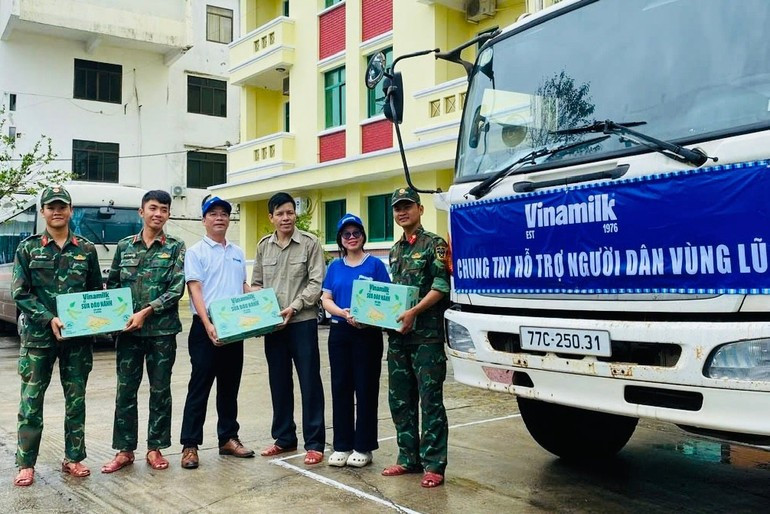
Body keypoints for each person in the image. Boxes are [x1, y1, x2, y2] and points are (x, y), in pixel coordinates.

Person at [11, 186, 103, 487]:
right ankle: (26, 463)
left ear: (71, 210)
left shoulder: (86, 250)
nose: (57, 211)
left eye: (62, 206)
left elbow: (94, 294)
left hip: (76, 341)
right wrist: (48, 318)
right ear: (43, 212)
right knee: (31, 401)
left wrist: (98, 319)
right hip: (39, 339)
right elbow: (20, 293)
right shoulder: (28, 248)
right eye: (51, 207)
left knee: (75, 401)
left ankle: (73, 458)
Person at [101, 190, 186, 474]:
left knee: (160, 391)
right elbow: (112, 284)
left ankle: (155, 447)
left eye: (164, 209)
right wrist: (113, 317)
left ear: (169, 214)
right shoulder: (125, 246)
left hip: (162, 333)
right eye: (153, 208)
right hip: (128, 335)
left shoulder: (175, 246)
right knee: (125, 391)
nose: (158, 213)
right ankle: (124, 450)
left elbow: (176, 288)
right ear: (141, 212)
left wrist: (146, 311)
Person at [381, 187, 450, 488]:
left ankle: (434, 464)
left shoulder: (435, 244)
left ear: (420, 209)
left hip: (426, 338)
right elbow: (394, 296)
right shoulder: (395, 251)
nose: (401, 212)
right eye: (397, 208)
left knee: (430, 400)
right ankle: (408, 457)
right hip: (398, 338)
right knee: (399, 399)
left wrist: (414, 313)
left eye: (407, 206)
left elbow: (441, 286)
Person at [179, 196, 254, 469]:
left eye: (224, 213)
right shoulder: (196, 252)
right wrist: (208, 323)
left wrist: (263, 301)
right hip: (206, 328)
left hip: (234, 327)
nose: (219, 217)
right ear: (204, 219)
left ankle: (228, 438)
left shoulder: (236, 252)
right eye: (213, 213)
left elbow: (242, 286)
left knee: (229, 387)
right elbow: (195, 289)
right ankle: (189, 445)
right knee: (199, 387)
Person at [251, 192, 326, 465]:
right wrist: (261, 310)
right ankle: (284, 438)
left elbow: (316, 283)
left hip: (301, 322)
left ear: (296, 215)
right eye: (280, 213)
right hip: (274, 327)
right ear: (271, 218)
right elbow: (256, 283)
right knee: (278, 383)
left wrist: (293, 306)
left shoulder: (309, 243)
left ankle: (315, 443)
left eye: (290, 212)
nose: (286, 218)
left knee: (310, 382)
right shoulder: (263, 247)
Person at [321, 214, 390, 468]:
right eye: (346, 234)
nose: (351, 238)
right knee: (340, 388)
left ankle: (363, 446)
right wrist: (342, 312)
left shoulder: (375, 266)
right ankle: (341, 445)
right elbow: (325, 299)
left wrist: (367, 319)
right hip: (340, 332)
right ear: (340, 239)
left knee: (365, 388)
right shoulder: (335, 267)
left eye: (356, 233)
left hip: (367, 334)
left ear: (363, 236)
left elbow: (386, 300)